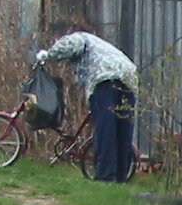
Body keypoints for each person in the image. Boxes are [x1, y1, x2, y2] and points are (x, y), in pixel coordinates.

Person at [36, 27, 137, 182]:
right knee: (122, 129)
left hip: (105, 81)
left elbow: (69, 46)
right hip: (129, 79)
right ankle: (121, 176)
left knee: (106, 129)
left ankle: (105, 176)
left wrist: (48, 55)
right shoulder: (101, 46)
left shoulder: (81, 37)